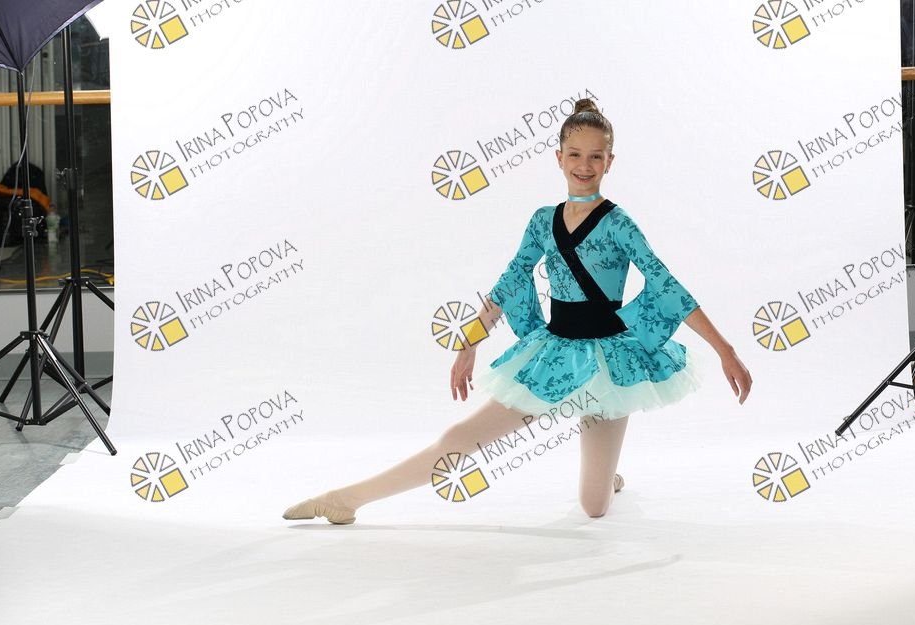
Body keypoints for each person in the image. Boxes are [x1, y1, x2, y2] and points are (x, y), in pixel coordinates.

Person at [283, 99, 752, 525]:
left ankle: (606, 477)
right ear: (558, 157)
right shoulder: (542, 220)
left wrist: (725, 350)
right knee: (463, 436)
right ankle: (345, 499)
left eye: (595, 156)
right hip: (552, 356)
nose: (584, 165)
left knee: (593, 507)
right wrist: (469, 344)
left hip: (610, 364)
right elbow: (510, 282)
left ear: (610, 161)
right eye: (575, 154)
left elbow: (665, 283)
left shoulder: (618, 222)